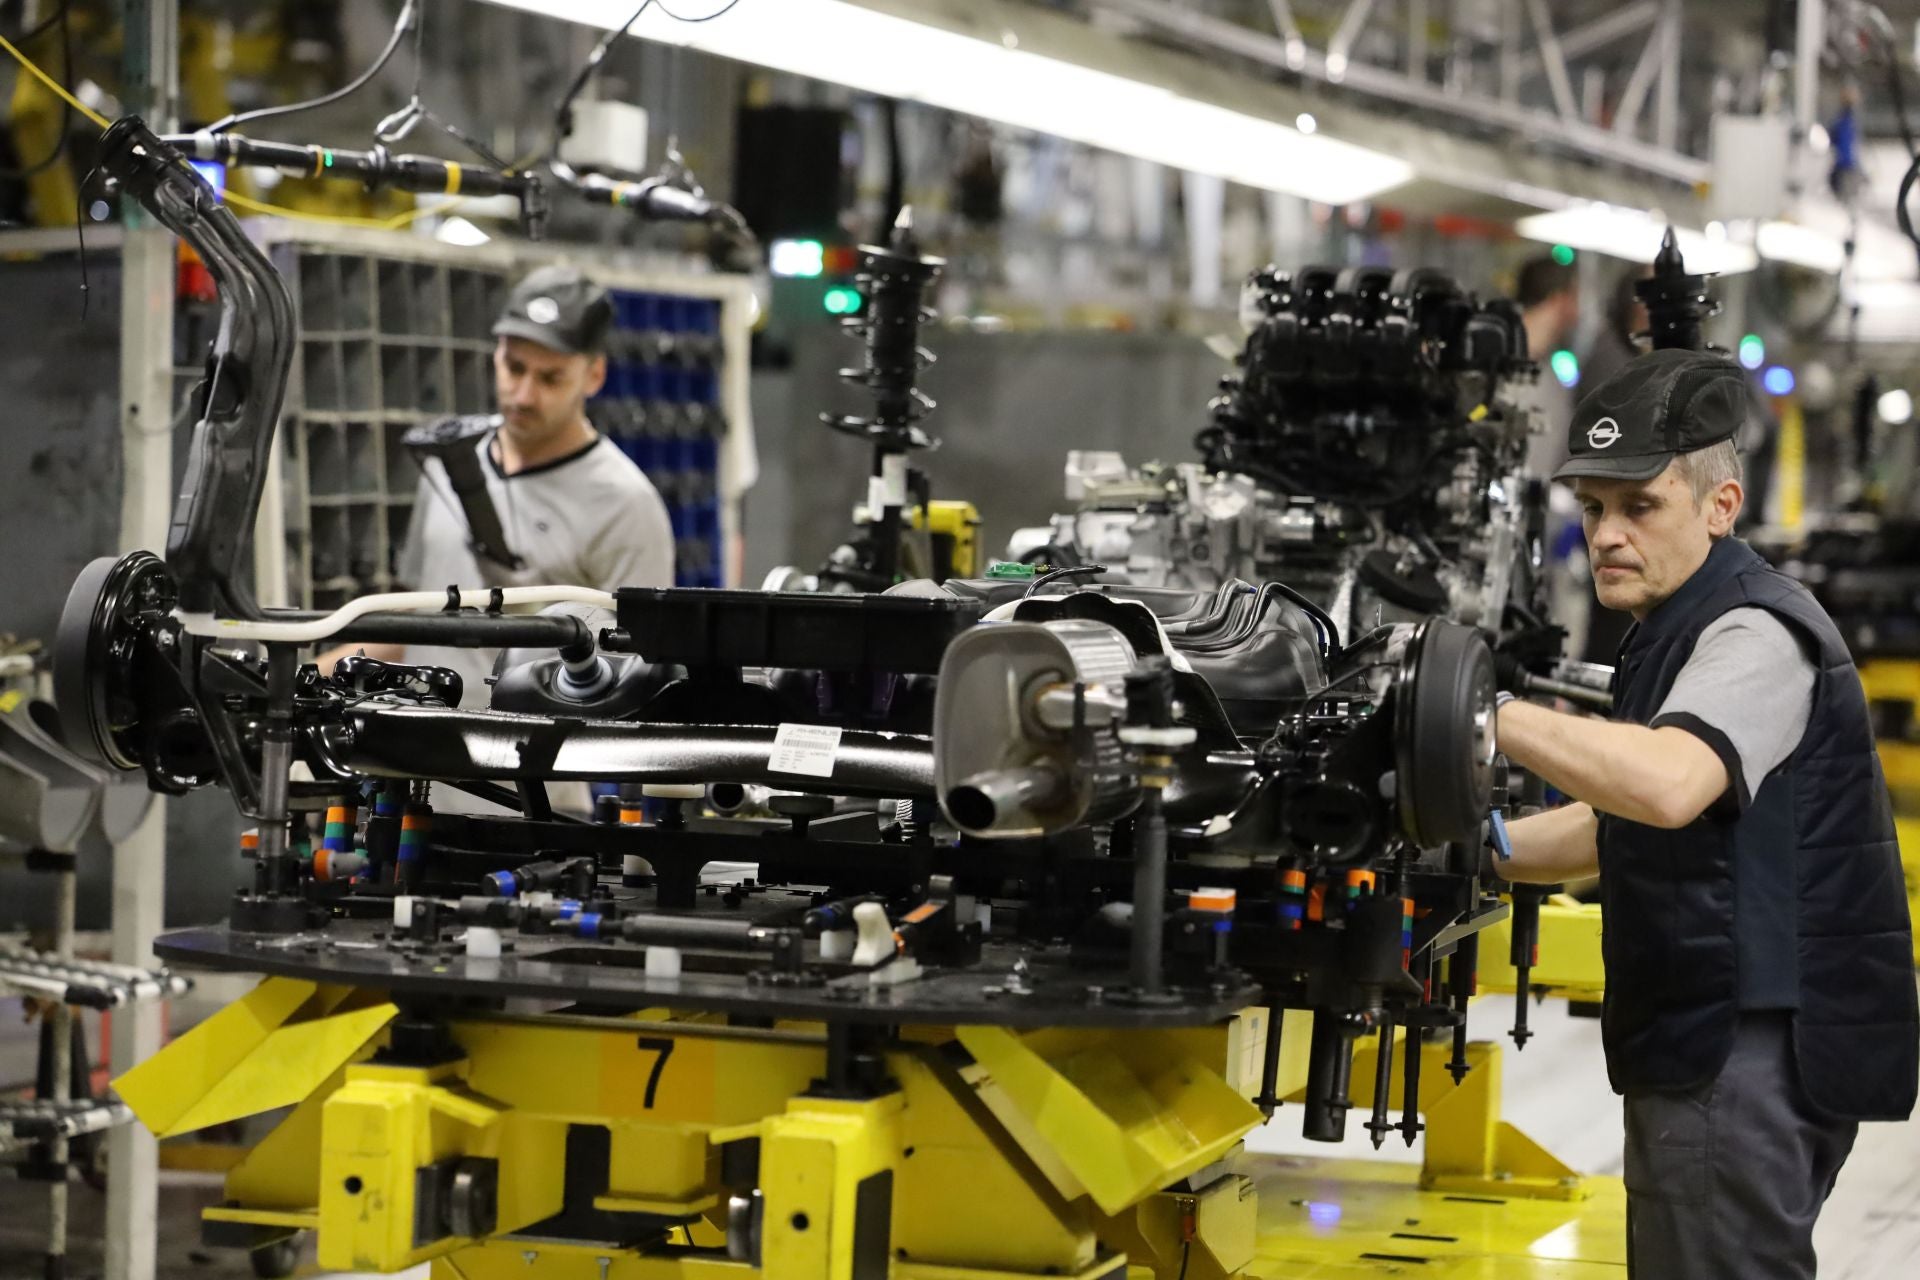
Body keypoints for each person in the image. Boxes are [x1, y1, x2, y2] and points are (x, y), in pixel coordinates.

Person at [1490, 348, 1918, 1278]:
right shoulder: (1673, 630)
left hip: (1744, 1056)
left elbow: (1669, 784)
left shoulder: (1754, 634)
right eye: (1596, 507)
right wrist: (1480, 851)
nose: (1607, 533)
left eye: (1640, 507)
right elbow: (1624, 825)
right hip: (1715, 1038)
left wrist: (1484, 717)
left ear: (1720, 508)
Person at [317, 265, 674, 699]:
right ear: (495, 354)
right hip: (418, 748)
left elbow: (639, 673)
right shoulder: (452, 464)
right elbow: (416, 622)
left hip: (530, 761)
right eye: (514, 366)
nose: (523, 395)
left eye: (550, 378)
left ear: (594, 376)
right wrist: (305, 677)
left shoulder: (626, 504)